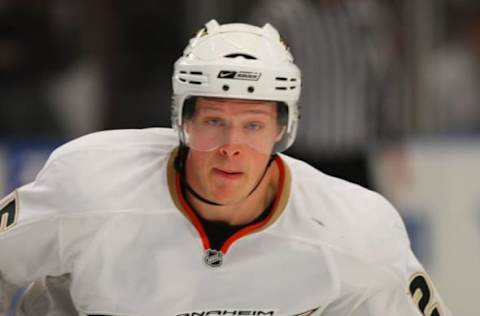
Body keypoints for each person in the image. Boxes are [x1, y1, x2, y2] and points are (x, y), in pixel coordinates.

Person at [0, 20, 450, 316]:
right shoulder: (91, 184)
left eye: (253, 125)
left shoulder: (356, 229)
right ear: (183, 121)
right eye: (215, 121)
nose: (231, 147)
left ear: (282, 129)